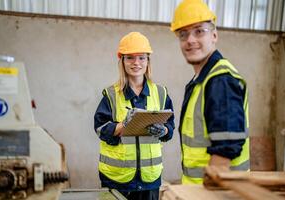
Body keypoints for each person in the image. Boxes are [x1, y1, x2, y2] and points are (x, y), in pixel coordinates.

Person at [170, 0, 250, 184]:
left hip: (217, 193)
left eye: (199, 31)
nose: (190, 40)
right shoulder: (202, 80)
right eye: (183, 34)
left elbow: (226, 147)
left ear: (214, 35)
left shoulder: (220, 80)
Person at [94, 32, 175, 200]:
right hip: (117, 179)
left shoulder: (160, 93)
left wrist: (164, 131)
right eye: (130, 58)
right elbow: (100, 128)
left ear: (148, 62)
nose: (136, 63)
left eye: (141, 58)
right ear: (122, 61)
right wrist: (124, 125)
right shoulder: (111, 94)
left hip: (149, 179)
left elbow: (171, 127)